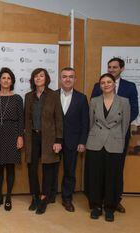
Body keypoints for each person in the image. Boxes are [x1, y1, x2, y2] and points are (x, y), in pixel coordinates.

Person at [90, 57, 138, 213]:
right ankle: (97, 204)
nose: (111, 69)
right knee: (97, 173)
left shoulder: (129, 87)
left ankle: (114, 202)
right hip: (97, 140)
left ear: (122, 68)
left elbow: (133, 111)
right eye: (109, 67)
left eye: (115, 67)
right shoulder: (97, 89)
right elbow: (92, 118)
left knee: (115, 172)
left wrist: (115, 128)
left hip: (117, 138)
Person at [85, 73, 130, 222]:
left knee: (112, 177)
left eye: (109, 82)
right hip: (95, 143)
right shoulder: (94, 101)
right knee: (95, 176)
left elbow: (125, 126)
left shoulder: (124, 102)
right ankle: (96, 206)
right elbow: (90, 123)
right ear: (100, 85)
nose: (106, 85)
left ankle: (110, 208)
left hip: (114, 143)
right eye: (103, 82)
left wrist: (120, 141)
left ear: (114, 84)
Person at [24, 68, 63, 215]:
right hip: (32, 137)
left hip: (49, 138)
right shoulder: (29, 96)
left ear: (46, 78)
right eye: (36, 76)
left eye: (41, 76)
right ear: (33, 79)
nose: (38, 78)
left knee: (48, 169)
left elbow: (58, 119)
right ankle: (35, 196)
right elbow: (26, 119)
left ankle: (44, 198)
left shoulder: (53, 95)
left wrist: (58, 140)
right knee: (32, 168)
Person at [0, 67, 23, 211]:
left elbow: (21, 119)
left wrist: (20, 136)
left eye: (8, 78)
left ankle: (8, 197)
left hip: (12, 133)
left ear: (12, 81)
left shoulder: (17, 98)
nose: (6, 80)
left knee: (10, 166)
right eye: (3, 78)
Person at [56, 67, 89, 212]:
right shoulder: (52, 95)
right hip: (54, 142)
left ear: (75, 79)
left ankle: (67, 198)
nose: (67, 79)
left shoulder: (81, 98)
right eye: (64, 76)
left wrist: (82, 141)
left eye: (71, 76)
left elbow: (85, 122)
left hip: (73, 141)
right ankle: (50, 195)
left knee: (70, 172)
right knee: (51, 170)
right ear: (60, 79)